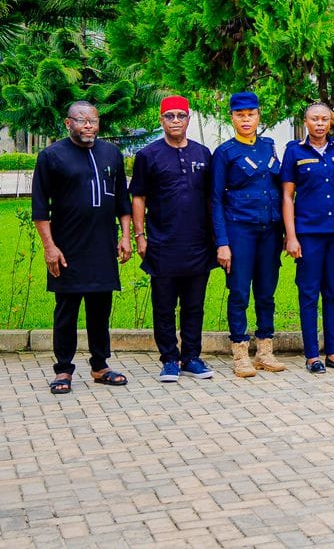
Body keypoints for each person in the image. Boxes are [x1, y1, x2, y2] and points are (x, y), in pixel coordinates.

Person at [34, 101, 132, 394]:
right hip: (67, 249)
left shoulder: (111, 154)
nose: (88, 125)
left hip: (102, 247)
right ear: (68, 124)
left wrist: (126, 236)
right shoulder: (52, 156)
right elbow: (40, 209)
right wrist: (50, 247)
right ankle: (63, 370)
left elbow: (122, 202)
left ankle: (100, 366)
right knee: (66, 310)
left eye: (93, 120)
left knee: (100, 310)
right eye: (81, 120)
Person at [129, 95, 217, 383]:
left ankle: (191, 357)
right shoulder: (148, 156)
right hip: (162, 243)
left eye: (181, 116)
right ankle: (169, 359)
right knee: (164, 306)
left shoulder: (203, 154)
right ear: (161, 120)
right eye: (170, 116)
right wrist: (139, 235)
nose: (176, 121)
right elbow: (139, 197)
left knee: (194, 305)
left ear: (189, 119)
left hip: (198, 244)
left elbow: (212, 198)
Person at [212, 91, 286, 378]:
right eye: (240, 114)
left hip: (269, 230)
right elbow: (216, 199)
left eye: (251, 114)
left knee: (266, 292)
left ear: (258, 116)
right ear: (232, 117)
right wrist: (222, 243)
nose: (246, 119)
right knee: (240, 292)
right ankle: (240, 352)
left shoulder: (269, 146)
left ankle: (265, 352)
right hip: (239, 230)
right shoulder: (225, 153)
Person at [283, 102, 334, 375]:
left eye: (324, 119)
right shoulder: (294, 151)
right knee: (309, 293)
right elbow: (288, 196)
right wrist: (291, 236)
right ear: (306, 122)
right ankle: (312, 355)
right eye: (314, 119)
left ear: (332, 122)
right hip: (308, 234)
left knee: (333, 293)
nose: (320, 123)